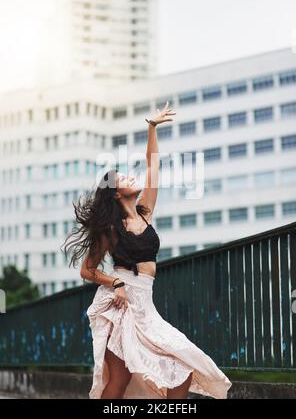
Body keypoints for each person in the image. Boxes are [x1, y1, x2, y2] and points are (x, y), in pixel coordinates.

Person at [62, 102, 232, 400]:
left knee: (182, 363)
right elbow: (86, 270)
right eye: (125, 178)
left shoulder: (145, 212)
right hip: (121, 305)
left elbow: (153, 165)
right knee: (119, 379)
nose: (132, 177)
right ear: (116, 193)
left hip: (146, 305)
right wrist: (115, 283)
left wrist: (151, 128)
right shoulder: (111, 230)